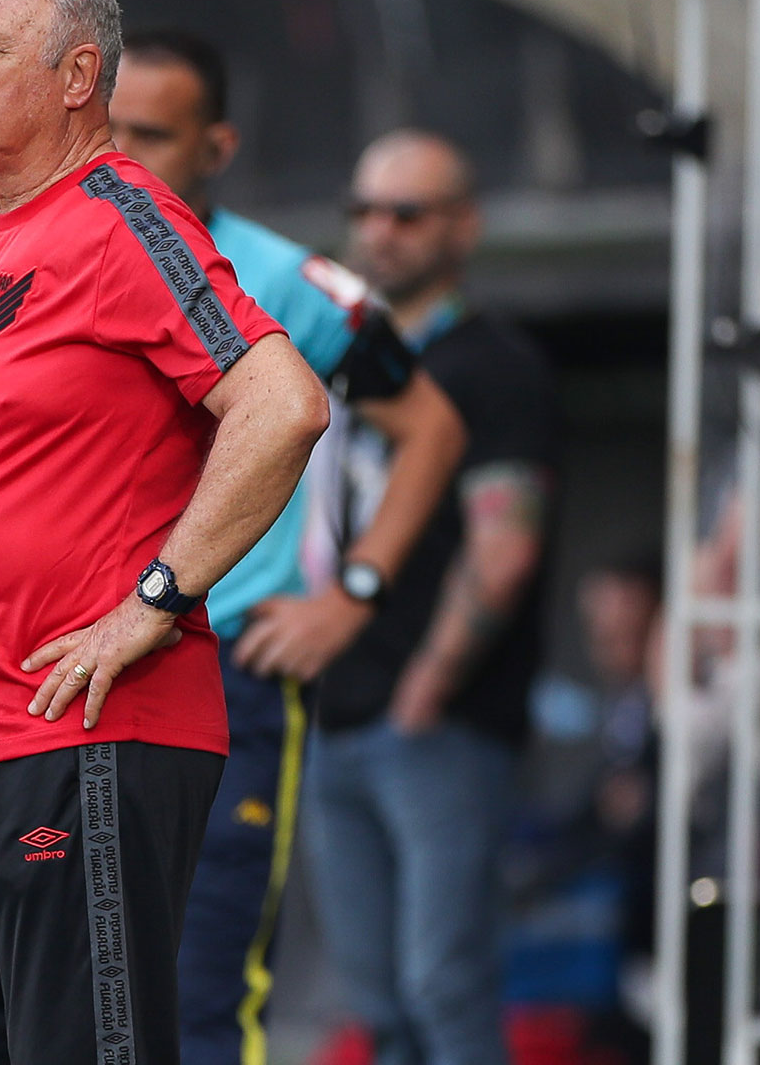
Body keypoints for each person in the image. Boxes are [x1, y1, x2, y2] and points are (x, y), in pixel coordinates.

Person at [0, 0, 330, 1065]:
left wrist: (155, 601)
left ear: (78, 77)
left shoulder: (120, 217)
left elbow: (283, 406)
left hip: (79, 742)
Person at [108, 26, 468, 1065]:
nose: (122, 156)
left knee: (202, 990)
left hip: (225, 667)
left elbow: (432, 429)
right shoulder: (37, 255)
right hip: (69, 662)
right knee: (62, 990)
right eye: (108, 129)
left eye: (151, 134)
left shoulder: (288, 282)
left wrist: (354, 591)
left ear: (216, 147)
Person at [300, 129, 559, 1065]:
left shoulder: (492, 365)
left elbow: (506, 545)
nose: (381, 230)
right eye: (365, 209)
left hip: (439, 723)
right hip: (340, 711)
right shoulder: (349, 355)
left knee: (444, 989)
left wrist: (432, 681)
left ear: (464, 226)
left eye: (407, 212)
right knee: (380, 1006)